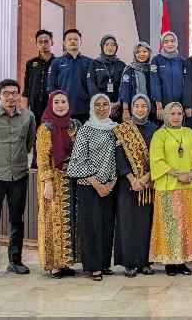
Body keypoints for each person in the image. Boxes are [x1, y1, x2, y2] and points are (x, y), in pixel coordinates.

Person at [0, 79, 37, 280]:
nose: (11, 97)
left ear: (19, 95)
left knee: (16, 220)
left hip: (19, 175)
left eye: (14, 93)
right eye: (6, 93)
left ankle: (15, 261)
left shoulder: (28, 117)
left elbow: (29, 143)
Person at [66, 93, 118, 281]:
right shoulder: (86, 130)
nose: (102, 108)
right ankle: (93, 266)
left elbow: (118, 158)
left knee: (106, 225)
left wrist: (111, 183)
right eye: (98, 105)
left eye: (105, 104)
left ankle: (104, 264)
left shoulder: (116, 129)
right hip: (89, 185)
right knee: (91, 226)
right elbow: (78, 160)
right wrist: (96, 183)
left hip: (110, 185)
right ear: (91, 107)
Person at [149, 101, 192, 276]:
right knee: (170, 225)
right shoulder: (159, 134)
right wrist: (177, 174)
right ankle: (170, 263)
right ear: (166, 115)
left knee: (186, 224)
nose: (176, 117)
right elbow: (157, 160)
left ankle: (183, 262)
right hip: (167, 187)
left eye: (179, 114)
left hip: (188, 186)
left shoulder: (189, 133)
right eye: (172, 114)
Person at [35, 90, 81, 278]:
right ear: (51, 105)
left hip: (72, 179)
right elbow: (42, 158)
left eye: (64, 101)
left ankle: (67, 263)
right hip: (53, 179)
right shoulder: (46, 128)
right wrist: (47, 182)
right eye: (57, 102)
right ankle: (55, 264)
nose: (61, 105)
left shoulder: (75, 125)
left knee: (70, 220)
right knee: (53, 220)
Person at [113, 94, 158, 277]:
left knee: (145, 223)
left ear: (148, 108)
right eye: (137, 106)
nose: (140, 109)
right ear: (131, 108)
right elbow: (119, 157)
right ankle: (129, 263)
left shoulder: (155, 129)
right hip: (128, 184)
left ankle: (145, 262)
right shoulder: (122, 129)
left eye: (144, 106)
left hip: (148, 185)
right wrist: (133, 179)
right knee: (127, 222)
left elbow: (157, 157)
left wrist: (146, 178)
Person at [47, 29, 93, 124]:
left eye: (76, 39)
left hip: (84, 110)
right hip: (63, 109)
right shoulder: (56, 62)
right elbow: (52, 87)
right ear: (64, 43)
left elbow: (92, 87)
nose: (73, 41)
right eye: (69, 39)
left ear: (80, 42)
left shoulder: (89, 62)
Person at [87, 34, 126, 122]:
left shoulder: (122, 65)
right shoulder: (94, 63)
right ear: (102, 46)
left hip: (117, 108)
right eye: (107, 44)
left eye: (113, 44)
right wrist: (104, 105)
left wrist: (118, 103)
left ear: (116, 47)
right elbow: (91, 85)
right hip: (99, 107)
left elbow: (125, 86)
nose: (110, 47)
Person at [22, 29, 55, 133]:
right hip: (35, 106)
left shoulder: (58, 63)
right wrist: (25, 109)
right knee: (35, 136)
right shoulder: (31, 64)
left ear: (52, 42)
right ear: (36, 44)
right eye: (40, 41)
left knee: (51, 135)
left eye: (46, 41)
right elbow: (27, 88)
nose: (43, 44)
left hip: (52, 106)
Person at [152, 31, 187, 122]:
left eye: (172, 41)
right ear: (162, 44)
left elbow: (186, 85)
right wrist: (159, 106)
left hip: (179, 106)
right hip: (163, 106)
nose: (170, 44)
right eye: (166, 41)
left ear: (176, 43)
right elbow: (155, 83)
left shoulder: (182, 61)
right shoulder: (156, 60)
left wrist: (186, 106)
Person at [119, 42, 156, 121]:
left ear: (149, 53)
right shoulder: (129, 69)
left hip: (150, 111)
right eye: (138, 52)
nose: (142, 54)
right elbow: (125, 91)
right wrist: (125, 110)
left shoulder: (152, 69)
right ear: (134, 54)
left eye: (145, 51)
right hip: (132, 110)